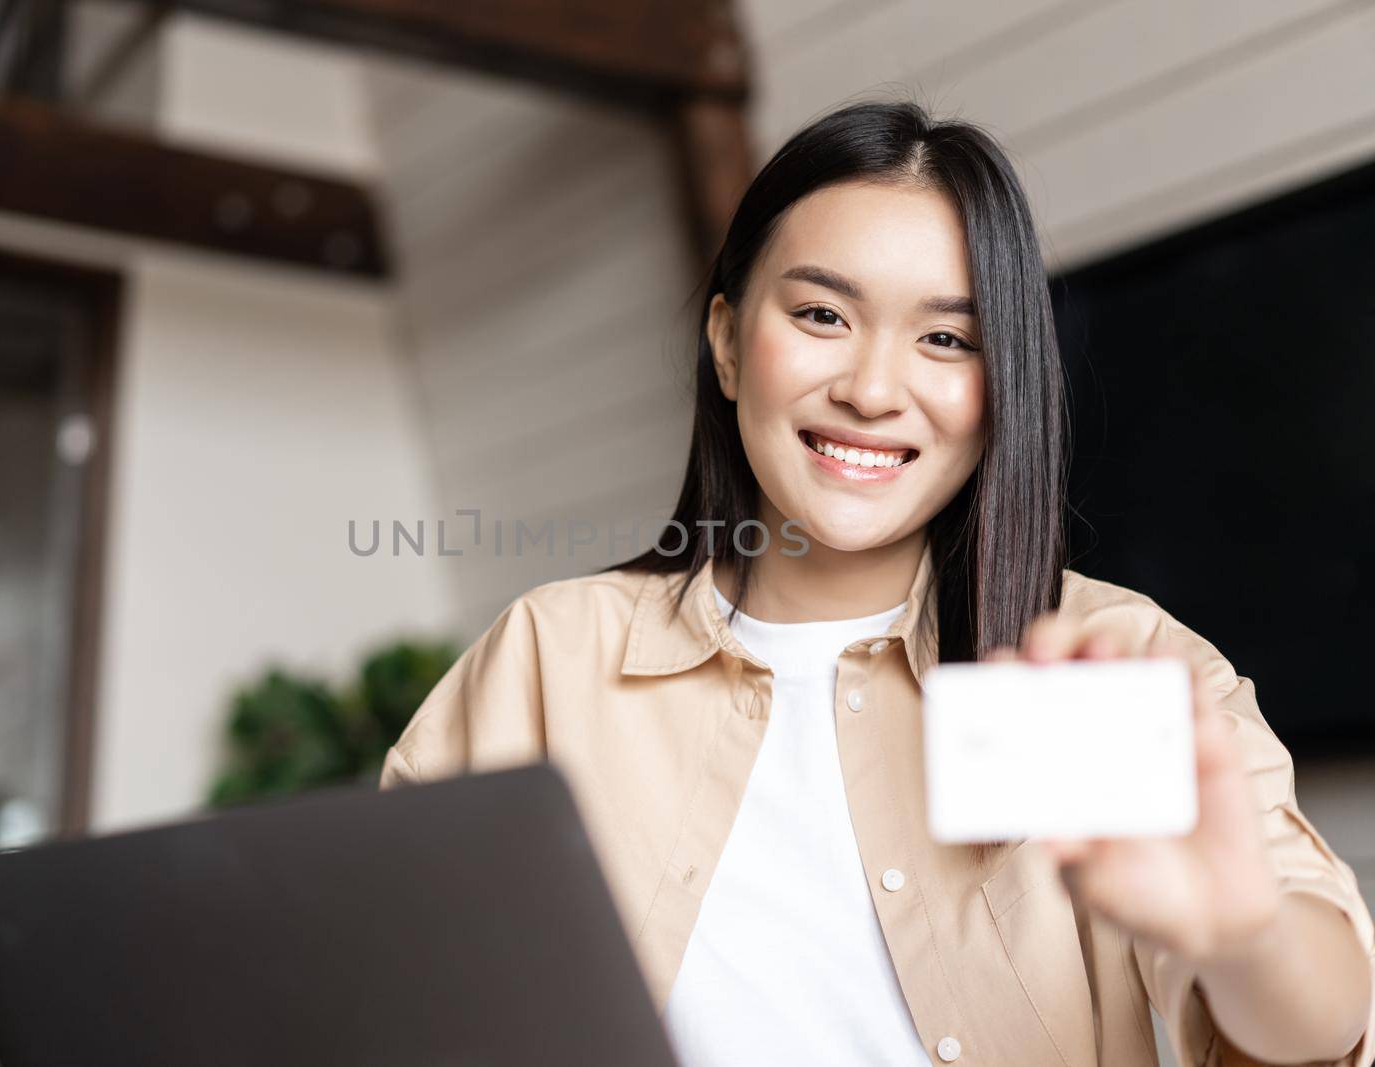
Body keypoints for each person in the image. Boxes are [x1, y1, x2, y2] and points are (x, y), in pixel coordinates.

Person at [378, 99, 1374, 1066]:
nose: (869, 388)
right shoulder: (551, 657)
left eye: (945, 337)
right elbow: (385, 989)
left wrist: (1242, 935)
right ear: (726, 343)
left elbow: (1322, 1026)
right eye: (821, 313)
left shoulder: (1108, 656)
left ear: (1002, 385)